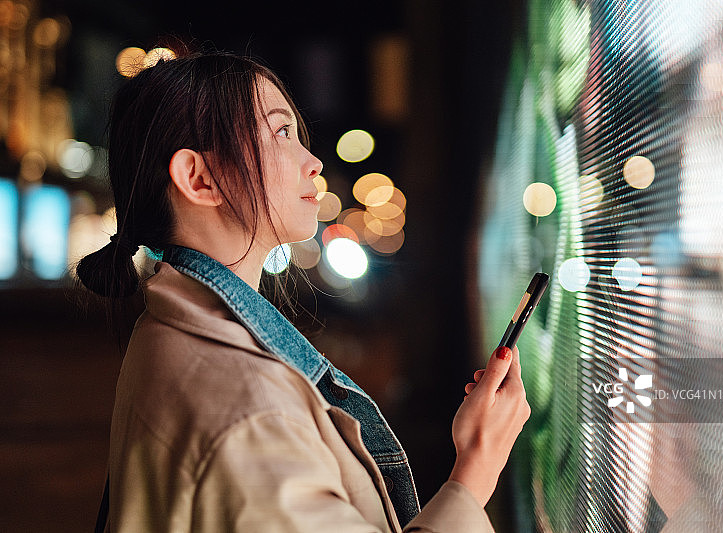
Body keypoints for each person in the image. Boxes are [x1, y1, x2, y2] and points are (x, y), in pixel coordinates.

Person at [77, 51, 530, 532]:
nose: (312, 161)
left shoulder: (165, 329)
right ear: (199, 178)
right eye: (279, 132)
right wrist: (475, 472)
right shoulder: (250, 409)